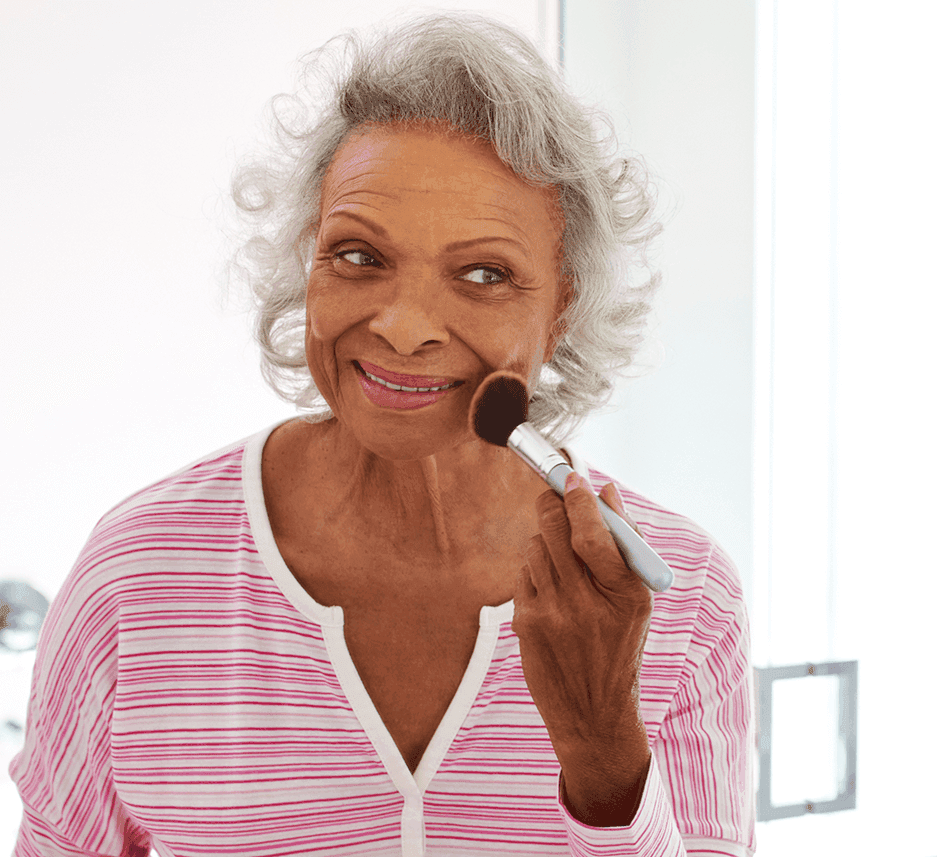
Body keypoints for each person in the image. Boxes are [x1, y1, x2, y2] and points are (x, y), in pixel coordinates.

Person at [10, 14, 754, 856]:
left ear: (563, 309)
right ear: (308, 263)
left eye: (484, 274)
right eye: (359, 256)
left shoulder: (686, 600)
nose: (403, 328)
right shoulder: (136, 576)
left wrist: (601, 748)